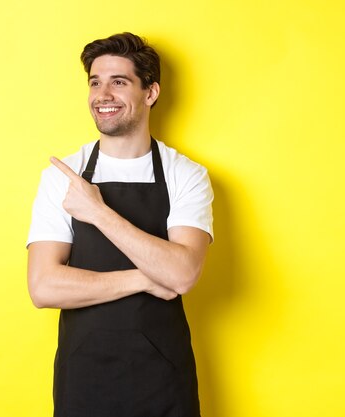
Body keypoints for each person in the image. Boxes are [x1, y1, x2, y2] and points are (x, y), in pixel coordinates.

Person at [26, 32, 213, 417]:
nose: (102, 94)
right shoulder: (64, 175)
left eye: (119, 82)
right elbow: (43, 287)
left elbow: (181, 274)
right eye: (95, 82)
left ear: (150, 93)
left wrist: (97, 212)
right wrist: (143, 278)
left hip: (164, 378)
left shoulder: (186, 175)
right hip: (84, 377)